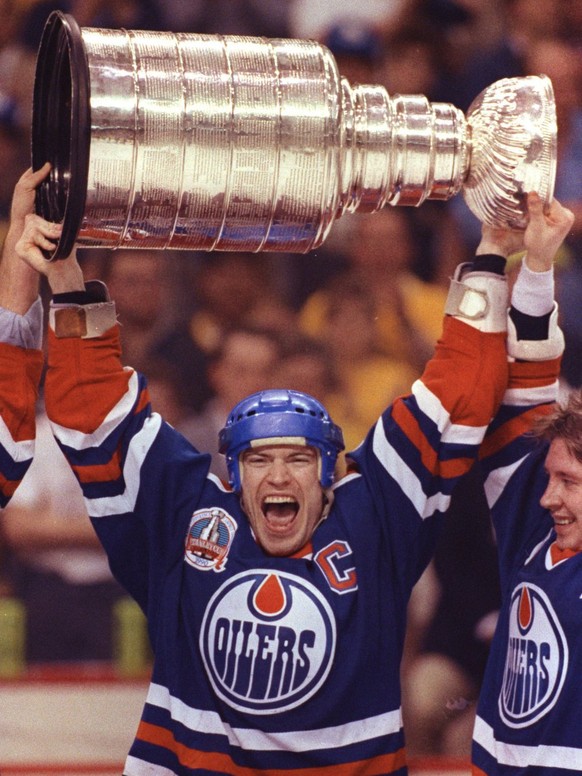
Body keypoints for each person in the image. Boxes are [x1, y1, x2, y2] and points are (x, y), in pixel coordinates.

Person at [11, 163, 571, 775]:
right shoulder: (186, 514)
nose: (278, 476)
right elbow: (90, 407)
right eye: (259, 460)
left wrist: (490, 253)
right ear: (232, 474)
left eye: (299, 459)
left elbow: (460, 392)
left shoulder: (377, 514)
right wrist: (65, 277)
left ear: (333, 471)